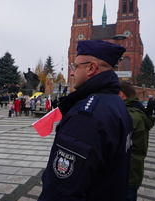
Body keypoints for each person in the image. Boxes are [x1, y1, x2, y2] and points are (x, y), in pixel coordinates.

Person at [38, 40, 133, 201]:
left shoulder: (86, 117)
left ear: (91, 68)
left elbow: (61, 191)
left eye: (75, 67)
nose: (72, 73)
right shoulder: (117, 104)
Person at [119, 81, 155, 201]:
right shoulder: (137, 110)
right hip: (133, 172)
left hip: (125, 175)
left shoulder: (130, 115)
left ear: (121, 95)